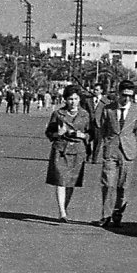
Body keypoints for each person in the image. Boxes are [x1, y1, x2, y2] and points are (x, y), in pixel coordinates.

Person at [96, 80, 137, 228]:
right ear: (118, 94)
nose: (127, 99)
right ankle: (105, 215)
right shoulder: (108, 109)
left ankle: (118, 213)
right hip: (111, 150)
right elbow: (102, 128)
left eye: (130, 96)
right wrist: (108, 142)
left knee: (123, 186)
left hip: (128, 152)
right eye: (124, 95)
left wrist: (128, 140)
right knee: (108, 184)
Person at [45, 85, 90, 223]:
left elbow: (92, 133)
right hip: (61, 150)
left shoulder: (85, 115)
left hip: (77, 151)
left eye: (76, 99)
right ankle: (62, 212)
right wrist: (58, 133)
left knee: (71, 182)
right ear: (65, 99)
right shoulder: (58, 114)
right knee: (60, 181)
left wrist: (83, 135)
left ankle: (65, 208)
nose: (73, 102)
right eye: (70, 99)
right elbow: (49, 132)